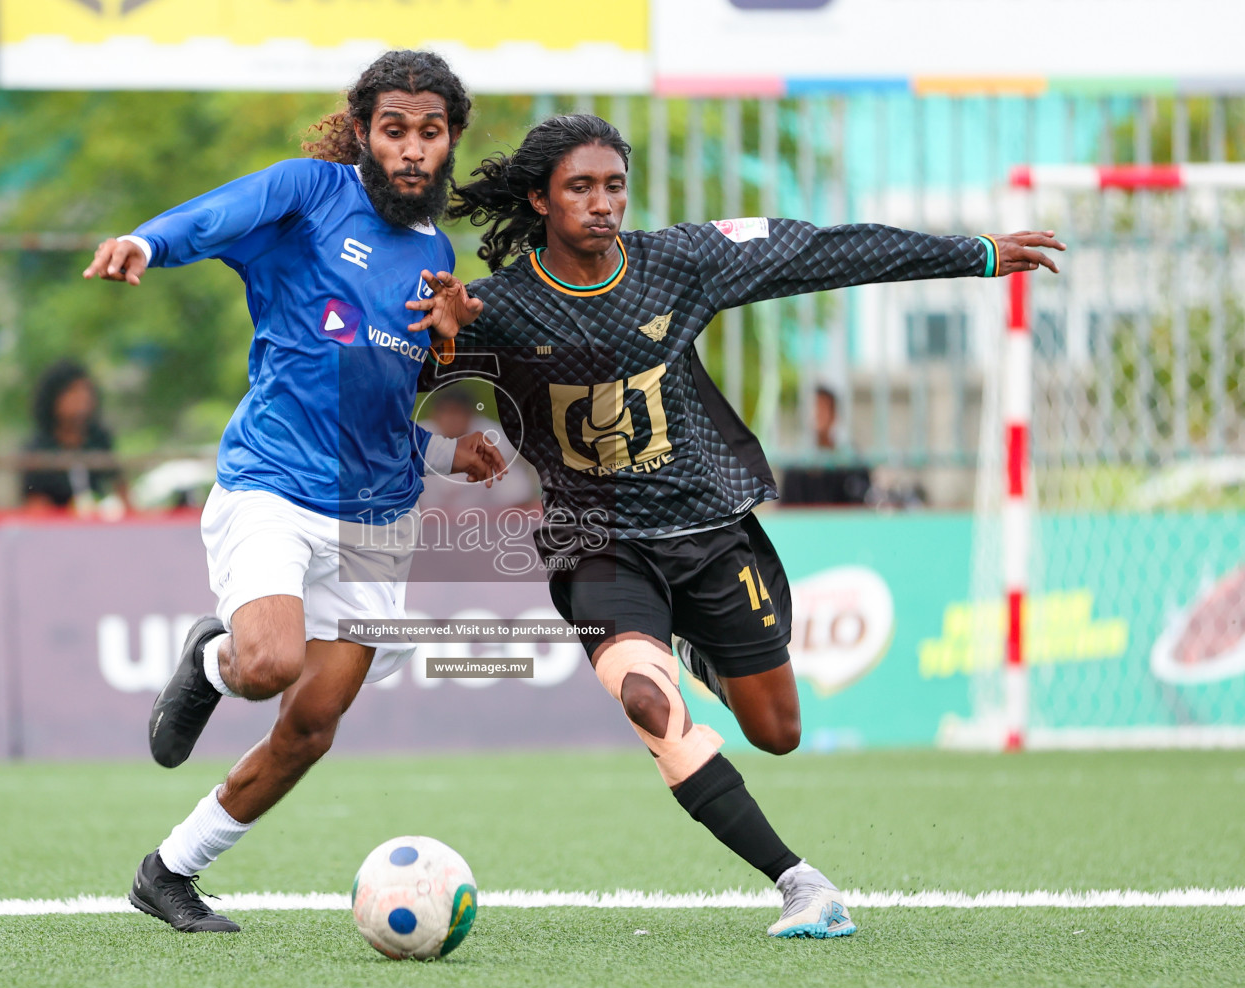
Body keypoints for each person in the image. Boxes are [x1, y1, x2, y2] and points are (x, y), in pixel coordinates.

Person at [408, 113, 1064, 938]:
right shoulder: (491, 308)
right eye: (581, 187)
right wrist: (438, 357)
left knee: (778, 732)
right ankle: (799, 882)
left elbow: (824, 252)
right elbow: (410, 395)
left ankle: (693, 643)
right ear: (540, 199)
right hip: (597, 545)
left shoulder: (678, 262)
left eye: (614, 184)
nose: (603, 202)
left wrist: (975, 255)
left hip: (707, 529)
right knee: (649, 702)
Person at [83, 50, 505, 934]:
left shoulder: (436, 255)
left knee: (311, 724)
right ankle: (213, 658)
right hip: (272, 483)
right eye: (395, 130)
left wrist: (444, 443)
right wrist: (146, 243)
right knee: (268, 664)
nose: (413, 150)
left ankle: (168, 872)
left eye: (430, 133)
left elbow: (381, 399)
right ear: (363, 132)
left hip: (379, 517)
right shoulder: (309, 193)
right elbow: (216, 216)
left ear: (451, 140)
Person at [20, 359, 126, 514]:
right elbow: (36, 507)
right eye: (73, 391)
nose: (83, 398)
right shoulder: (38, 449)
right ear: (54, 398)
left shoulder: (100, 441)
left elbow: (121, 492)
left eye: (86, 391)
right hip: (57, 531)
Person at [779, 385, 871, 506]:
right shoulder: (795, 468)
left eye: (823, 408)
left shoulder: (851, 464)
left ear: (834, 415)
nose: (818, 415)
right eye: (814, 408)